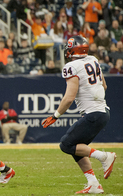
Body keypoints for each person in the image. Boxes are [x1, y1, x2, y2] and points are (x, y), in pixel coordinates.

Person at [42, 35, 116, 194]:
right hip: (103, 112)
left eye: (69, 49)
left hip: (93, 114)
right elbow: (104, 85)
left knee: (66, 144)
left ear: (73, 50)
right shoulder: (94, 60)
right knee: (76, 148)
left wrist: (55, 115)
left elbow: (69, 98)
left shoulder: (72, 66)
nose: (67, 52)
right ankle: (94, 184)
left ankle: (104, 157)